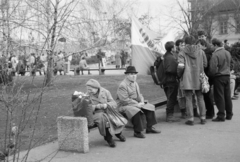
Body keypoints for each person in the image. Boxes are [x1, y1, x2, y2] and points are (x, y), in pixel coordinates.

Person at [116, 66, 160, 138]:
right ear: (127, 75)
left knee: (150, 107)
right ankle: (137, 131)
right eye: (131, 74)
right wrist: (137, 104)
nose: (134, 76)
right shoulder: (122, 85)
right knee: (135, 110)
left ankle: (149, 128)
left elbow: (139, 95)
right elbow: (124, 100)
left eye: (135, 74)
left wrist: (142, 101)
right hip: (123, 105)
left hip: (134, 103)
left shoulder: (135, 83)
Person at [86, 79, 126, 148]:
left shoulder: (105, 92)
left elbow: (114, 103)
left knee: (114, 118)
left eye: (91, 89)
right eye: (88, 89)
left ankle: (118, 133)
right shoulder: (87, 95)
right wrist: (95, 107)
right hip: (96, 113)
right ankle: (108, 138)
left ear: (96, 88)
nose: (89, 91)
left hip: (107, 110)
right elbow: (87, 107)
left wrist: (106, 105)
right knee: (103, 119)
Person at [177, 36, 207, 126]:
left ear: (185, 43)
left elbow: (181, 66)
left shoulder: (182, 52)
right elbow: (205, 64)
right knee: (200, 97)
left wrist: (179, 75)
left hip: (187, 78)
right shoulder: (201, 51)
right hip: (199, 77)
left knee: (188, 98)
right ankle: (203, 118)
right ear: (195, 42)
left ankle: (190, 119)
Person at [209, 38, 233, 121]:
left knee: (219, 96)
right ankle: (229, 114)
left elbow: (212, 68)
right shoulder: (227, 53)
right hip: (227, 76)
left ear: (215, 45)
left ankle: (221, 115)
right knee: (227, 96)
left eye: (212, 45)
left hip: (219, 77)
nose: (212, 47)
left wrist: (211, 77)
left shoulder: (215, 54)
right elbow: (231, 64)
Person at [197, 30, 215, 119]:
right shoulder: (207, 49)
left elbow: (205, 64)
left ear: (206, 37)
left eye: (202, 36)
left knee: (207, 94)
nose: (201, 38)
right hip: (205, 74)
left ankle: (210, 113)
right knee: (205, 94)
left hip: (207, 75)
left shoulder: (208, 50)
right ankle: (209, 111)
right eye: (199, 36)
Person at [162, 41, 180, 122]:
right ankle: (169, 116)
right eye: (175, 47)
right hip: (171, 80)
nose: (176, 48)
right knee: (171, 98)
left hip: (166, 80)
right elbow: (170, 70)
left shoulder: (165, 56)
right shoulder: (171, 58)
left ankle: (170, 115)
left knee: (170, 97)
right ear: (172, 49)